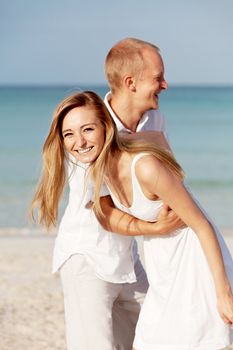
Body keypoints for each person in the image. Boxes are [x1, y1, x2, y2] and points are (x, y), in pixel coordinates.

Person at [40, 90, 233, 349]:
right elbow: (103, 213)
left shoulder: (144, 166)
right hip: (162, 263)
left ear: (105, 127)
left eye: (87, 129)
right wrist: (153, 227)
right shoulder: (96, 168)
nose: (79, 141)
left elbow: (202, 225)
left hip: (191, 262)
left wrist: (222, 294)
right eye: (69, 134)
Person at [31, 39, 185, 350]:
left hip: (126, 260)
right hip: (86, 257)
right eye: (158, 77)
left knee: (157, 335)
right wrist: (155, 228)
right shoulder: (89, 127)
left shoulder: (154, 120)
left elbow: (168, 176)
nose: (165, 84)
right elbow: (104, 211)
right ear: (131, 82)